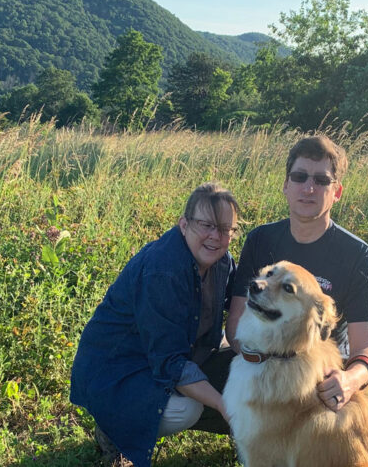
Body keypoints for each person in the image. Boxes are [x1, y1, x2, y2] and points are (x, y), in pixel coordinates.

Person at [70, 183, 241, 467]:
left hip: (170, 354)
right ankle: (114, 432)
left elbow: (244, 305)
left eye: (226, 229)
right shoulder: (163, 270)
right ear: (183, 224)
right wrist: (230, 408)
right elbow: (170, 362)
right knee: (187, 408)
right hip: (118, 371)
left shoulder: (222, 261)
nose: (216, 236)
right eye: (206, 225)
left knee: (248, 360)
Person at [225, 134, 368, 413]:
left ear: (337, 192)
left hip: (318, 375)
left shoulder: (358, 256)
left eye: (321, 180)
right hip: (257, 356)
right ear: (286, 185)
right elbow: (236, 324)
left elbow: (365, 350)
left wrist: (349, 380)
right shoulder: (260, 240)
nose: (309, 188)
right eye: (299, 177)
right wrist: (266, 367)